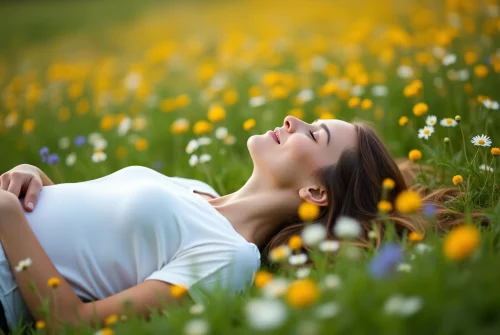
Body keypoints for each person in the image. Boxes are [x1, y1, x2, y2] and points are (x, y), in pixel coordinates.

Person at [0, 115, 474, 334]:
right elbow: (86, 231)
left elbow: (69, 322)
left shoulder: (230, 258)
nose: (293, 120)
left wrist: (7, 216)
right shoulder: (193, 189)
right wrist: (33, 181)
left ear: (316, 193)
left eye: (315, 134)